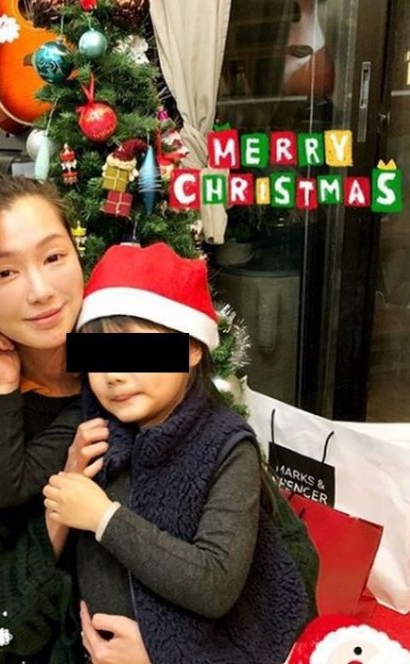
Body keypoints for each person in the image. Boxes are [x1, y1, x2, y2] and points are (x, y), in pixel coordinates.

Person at [43, 242, 311, 664]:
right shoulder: (97, 433)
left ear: (191, 348)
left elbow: (215, 583)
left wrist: (104, 518)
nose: (114, 375)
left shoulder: (226, 447)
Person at [0, 176, 154, 664]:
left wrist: (171, 644)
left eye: (53, 257)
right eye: (5, 273)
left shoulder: (143, 358)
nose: (40, 291)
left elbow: (259, 533)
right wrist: (62, 505)